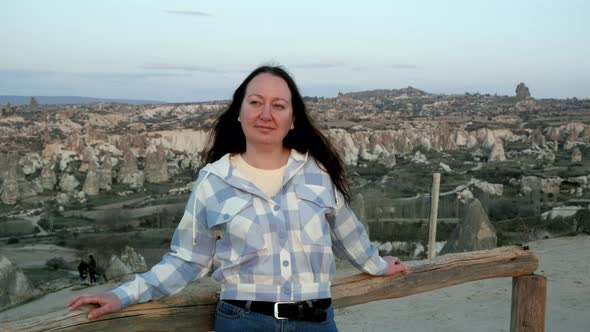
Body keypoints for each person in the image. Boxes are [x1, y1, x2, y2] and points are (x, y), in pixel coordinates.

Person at [67, 65, 408, 331]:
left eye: (278, 105)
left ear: (292, 120)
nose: (266, 113)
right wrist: (122, 295)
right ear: (239, 113)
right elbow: (187, 259)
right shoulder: (214, 181)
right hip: (244, 323)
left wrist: (379, 265)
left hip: (316, 323)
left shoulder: (316, 172)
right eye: (256, 102)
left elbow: (348, 232)